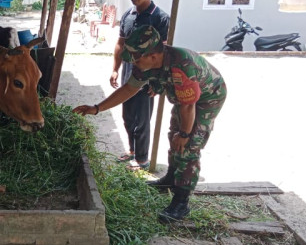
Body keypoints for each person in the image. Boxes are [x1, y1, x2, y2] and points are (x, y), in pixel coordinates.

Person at [74, 25, 227, 222]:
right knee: (174, 135)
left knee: (187, 146)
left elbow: (189, 107)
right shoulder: (145, 65)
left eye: (137, 59)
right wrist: (96, 108)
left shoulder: (182, 66)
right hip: (183, 100)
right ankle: (171, 179)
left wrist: (186, 134)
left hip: (207, 98)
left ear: (153, 56)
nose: (135, 64)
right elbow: (128, 89)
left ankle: (181, 202)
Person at [111, 0, 170, 171]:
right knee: (127, 117)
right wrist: (115, 69)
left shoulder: (160, 18)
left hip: (147, 78)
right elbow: (120, 44)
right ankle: (132, 151)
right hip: (129, 74)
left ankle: (143, 159)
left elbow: (163, 52)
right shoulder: (128, 15)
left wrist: (157, 82)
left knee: (142, 119)